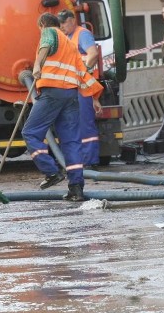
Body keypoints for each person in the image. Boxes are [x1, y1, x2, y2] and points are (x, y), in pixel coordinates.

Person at [22, 13, 103, 202]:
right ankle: (76, 188)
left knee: (31, 132)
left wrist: (37, 66)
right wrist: (93, 96)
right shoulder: (70, 46)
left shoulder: (50, 31)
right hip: (71, 96)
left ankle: (51, 171)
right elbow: (83, 72)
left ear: (42, 25)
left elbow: (45, 44)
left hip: (53, 93)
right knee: (71, 141)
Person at [58, 9, 101, 167]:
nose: (61, 26)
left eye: (64, 22)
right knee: (73, 123)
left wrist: (84, 71)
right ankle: (80, 160)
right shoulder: (67, 37)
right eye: (60, 23)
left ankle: (89, 161)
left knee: (84, 123)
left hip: (82, 86)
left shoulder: (82, 34)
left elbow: (93, 54)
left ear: (72, 20)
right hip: (72, 85)